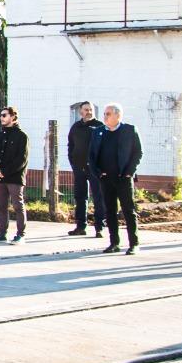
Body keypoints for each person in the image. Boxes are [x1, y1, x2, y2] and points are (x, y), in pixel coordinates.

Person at [92, 102, 142, 254]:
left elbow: (137, 153)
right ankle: (114, 242)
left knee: (128, 210)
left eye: (108, 114)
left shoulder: (129, 130)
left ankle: (134, 243)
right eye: (105, 114)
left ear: (118, 115)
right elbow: (92, 155)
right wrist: (98, 173)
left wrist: (129, 172)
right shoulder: (98, 132)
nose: (105, 117)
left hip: (123, 178)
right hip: (106, 179)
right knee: (110, 211)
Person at [0, 106, 28, 243]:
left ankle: (21, 234)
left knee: (18, 206)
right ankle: (2, 232)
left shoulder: (21, 136)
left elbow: (21, 159)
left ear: (13, 117)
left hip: (14, 177)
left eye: (4, 115)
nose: (1, 118)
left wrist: (5, 171)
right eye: (1, 115)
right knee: (1, 206)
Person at [66, 101, 105, 237]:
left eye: (90, 109)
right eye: (86, 110)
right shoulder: (76, 127)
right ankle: (81, 226)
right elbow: (70, 145)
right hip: (79, 168)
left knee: (98, 197)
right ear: (80, 112)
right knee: (80, 197)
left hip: (95, 169)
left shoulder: (100, 126)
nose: (88, 112)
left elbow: (105, 148)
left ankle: (99, 227)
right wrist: (73, 162)